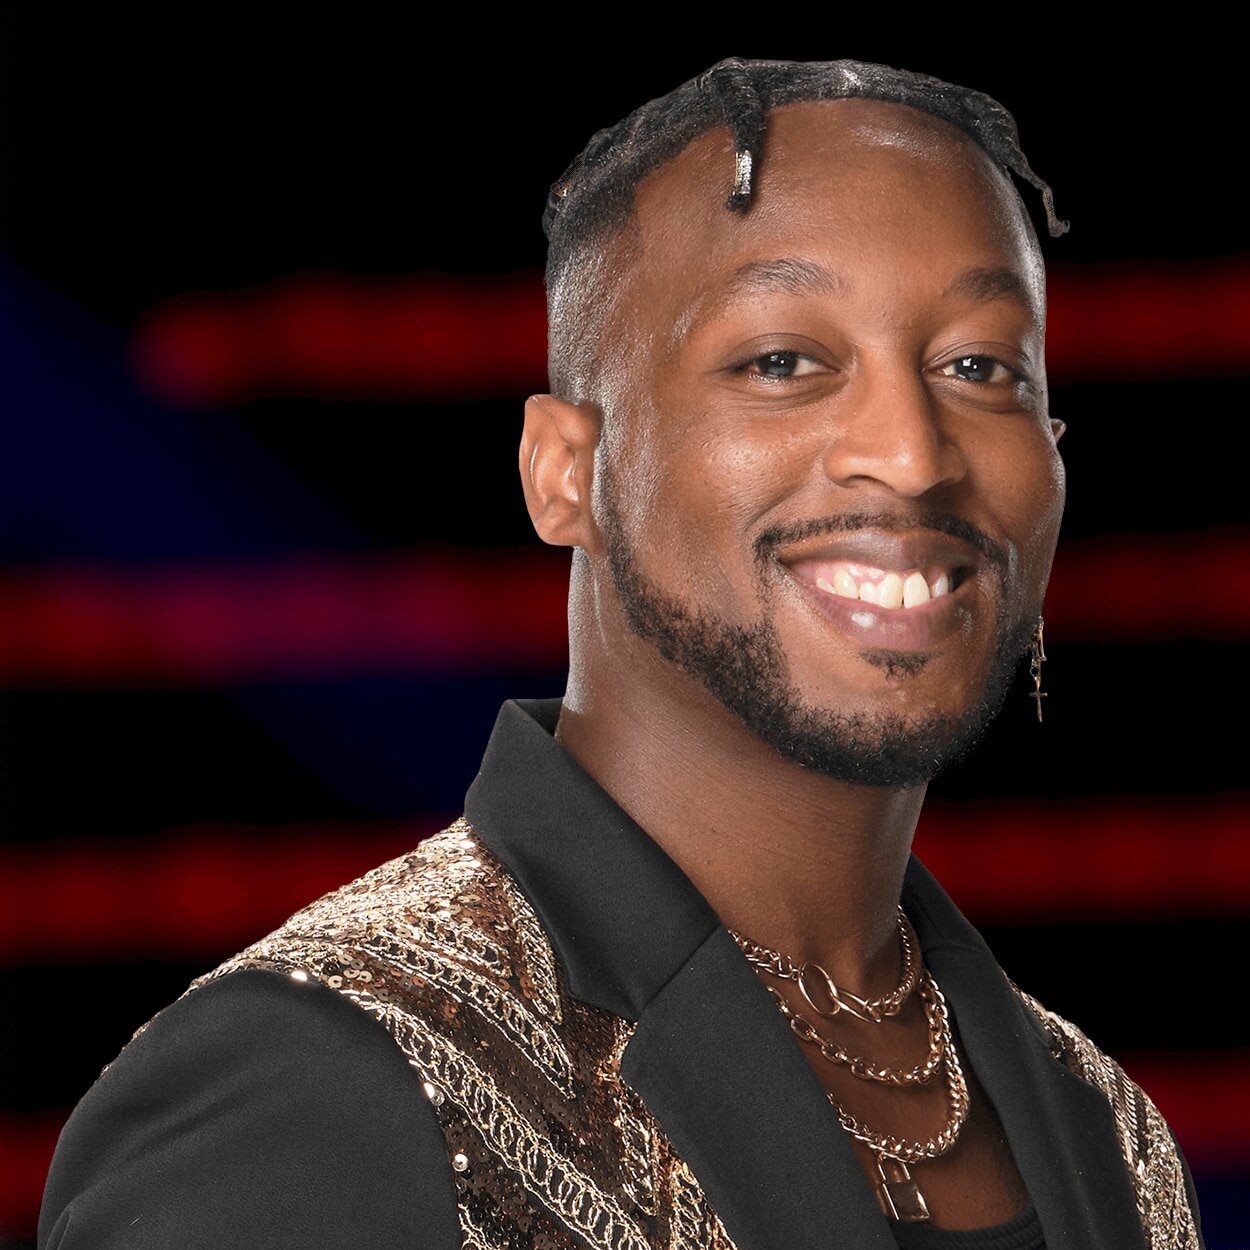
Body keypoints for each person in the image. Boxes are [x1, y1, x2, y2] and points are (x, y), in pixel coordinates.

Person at [39, 57, 1204, 1249]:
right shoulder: (320, 1086)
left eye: (978, 367)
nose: (909, 454)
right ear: (563, 473)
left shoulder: (1110, 1130)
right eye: (780, 361)